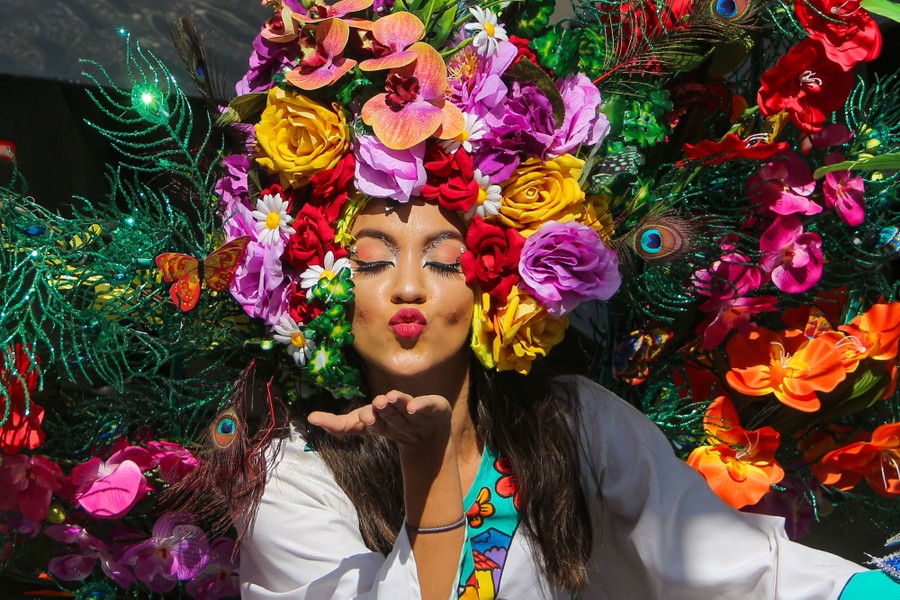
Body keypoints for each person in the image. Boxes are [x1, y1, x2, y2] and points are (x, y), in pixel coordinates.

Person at [235, 196, 899, 599]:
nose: (408, 289)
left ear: (491, 285)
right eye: (374, 262)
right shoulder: (292, 474)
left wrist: (854, 591)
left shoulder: (570, 419)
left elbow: (726, 565)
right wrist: (428, 471)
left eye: (442, 261)